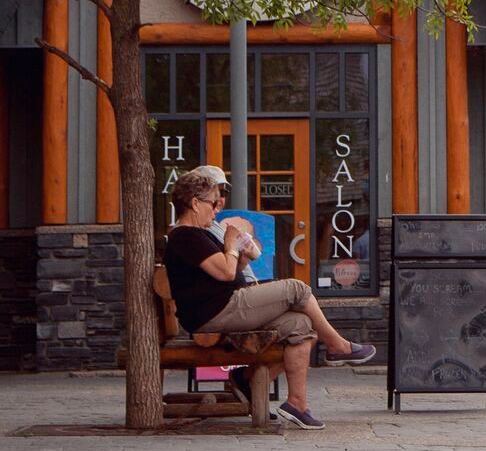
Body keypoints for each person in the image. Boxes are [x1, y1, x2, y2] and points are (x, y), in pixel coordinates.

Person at [161, 165, 377, 430]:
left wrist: (241, 254)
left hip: (228, 304)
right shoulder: (185, 236)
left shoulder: (200, 234)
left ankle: (294, 402)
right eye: (211, 203)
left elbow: (228, 271)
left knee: (301, 326)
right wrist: (230, 246)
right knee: (297, 289)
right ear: (194, 203)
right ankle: (337, 346)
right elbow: (225, 273)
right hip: (217, 311)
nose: (216, 208)